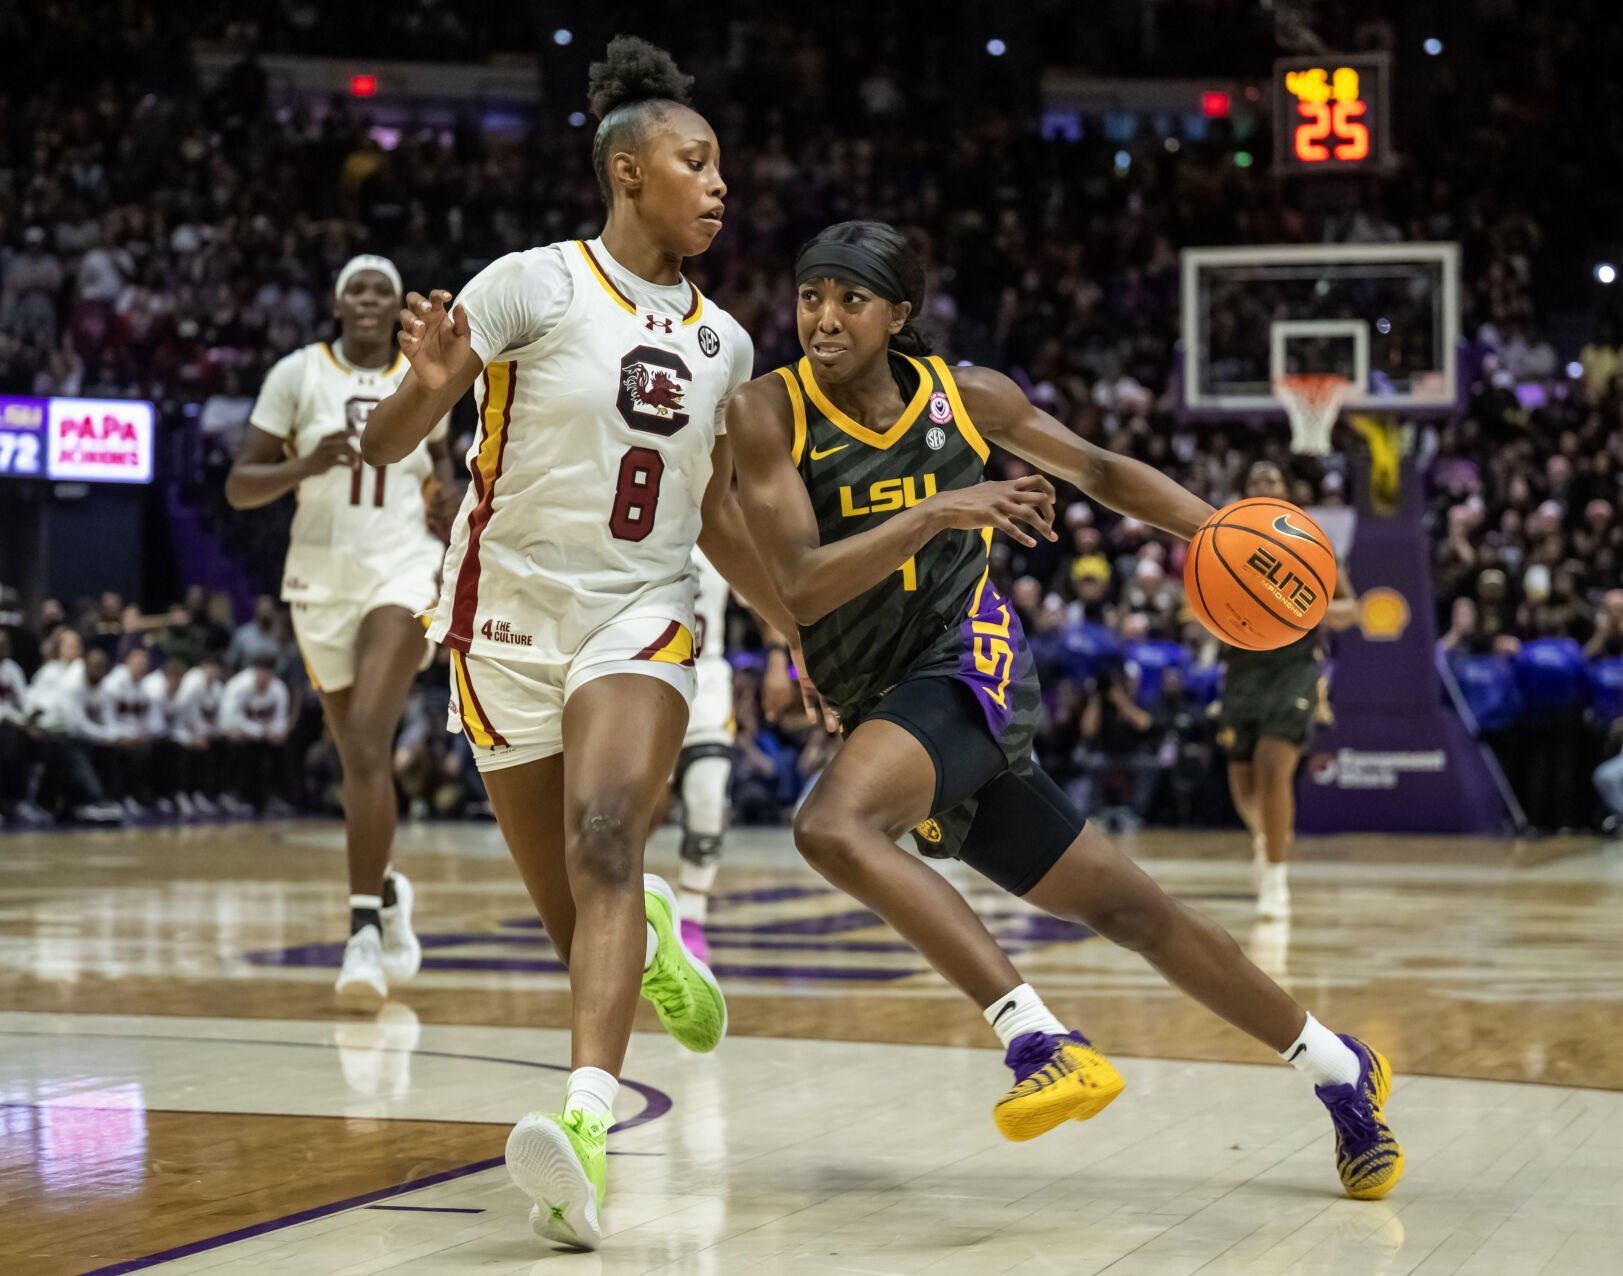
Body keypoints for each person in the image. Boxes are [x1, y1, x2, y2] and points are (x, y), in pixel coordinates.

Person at [727, 220, 1402, 1203]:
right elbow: (797, 583)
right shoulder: (767, 410)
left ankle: (1039, 1041)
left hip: (969, 666)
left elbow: (1101, 471)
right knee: (1133, 910)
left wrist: (1220, 532)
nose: (823, 319)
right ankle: (1341, 1067)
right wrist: (936, 512)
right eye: (810, 297)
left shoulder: (968, 397)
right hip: (887, 699)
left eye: (850, 299)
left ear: (898, 314)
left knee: (833, 825)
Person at [361, 37, 794, 1251]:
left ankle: (583, 1132)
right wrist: (424, 385)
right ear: (626, 170)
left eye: (721, 166)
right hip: (501, 620)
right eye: (695, 162)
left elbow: (715, 513)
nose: (719, 184)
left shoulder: (727, 344)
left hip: (639, 611)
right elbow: (389, 445)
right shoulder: (531, 285)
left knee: (606, 833)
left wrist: (791, 626)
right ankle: (647, 936)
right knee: (578, 919)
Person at [226, 254, 456, 1007]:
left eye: (381, 290)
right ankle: (385, 892)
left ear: (395, 308)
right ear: (336, 303)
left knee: (365, 740)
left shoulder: (423, 373)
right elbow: (240, 485)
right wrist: (302, 467)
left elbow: (443, 476)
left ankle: (360, 934)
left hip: (403, 571)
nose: (368, 299)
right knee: (358, 760)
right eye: (355, 288)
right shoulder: (297, 374)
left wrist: (446, 498)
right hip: (319, 580)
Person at [1220, 461, 1358, 918]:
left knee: (1273, 766)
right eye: (1255, 480)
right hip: (1242, 666)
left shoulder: (1311, 543)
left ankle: (1277, 881)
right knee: (1243, 781)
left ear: (1287, 490)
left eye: (1272, 480)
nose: (1264, 485)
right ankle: (1266, 839)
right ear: (1244, 491)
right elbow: (1198, 605)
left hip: (1293, 665)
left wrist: (1306, 608)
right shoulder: (1224, 542)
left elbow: (1351, 609)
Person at [671, 547, 736, 961]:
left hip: (706, 675)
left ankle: (691, 916)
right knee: (624, 812)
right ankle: (611, 904)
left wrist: (780, 655)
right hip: (635, 672)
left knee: (709, 799)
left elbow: (765, 587)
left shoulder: (721, 526)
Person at [217, 654, 290, 812]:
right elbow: (228, 720)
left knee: (282, 746)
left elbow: (280, 719)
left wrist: (277, 732)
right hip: (241, 733)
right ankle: (235, 794)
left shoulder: (279, 689)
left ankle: (273, 795)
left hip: (264, 735)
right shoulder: (238, 686)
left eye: (268, 674)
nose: (263, 678)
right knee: (237, 743)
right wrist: (253, 730)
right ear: (254, 672)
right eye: (260, 673)